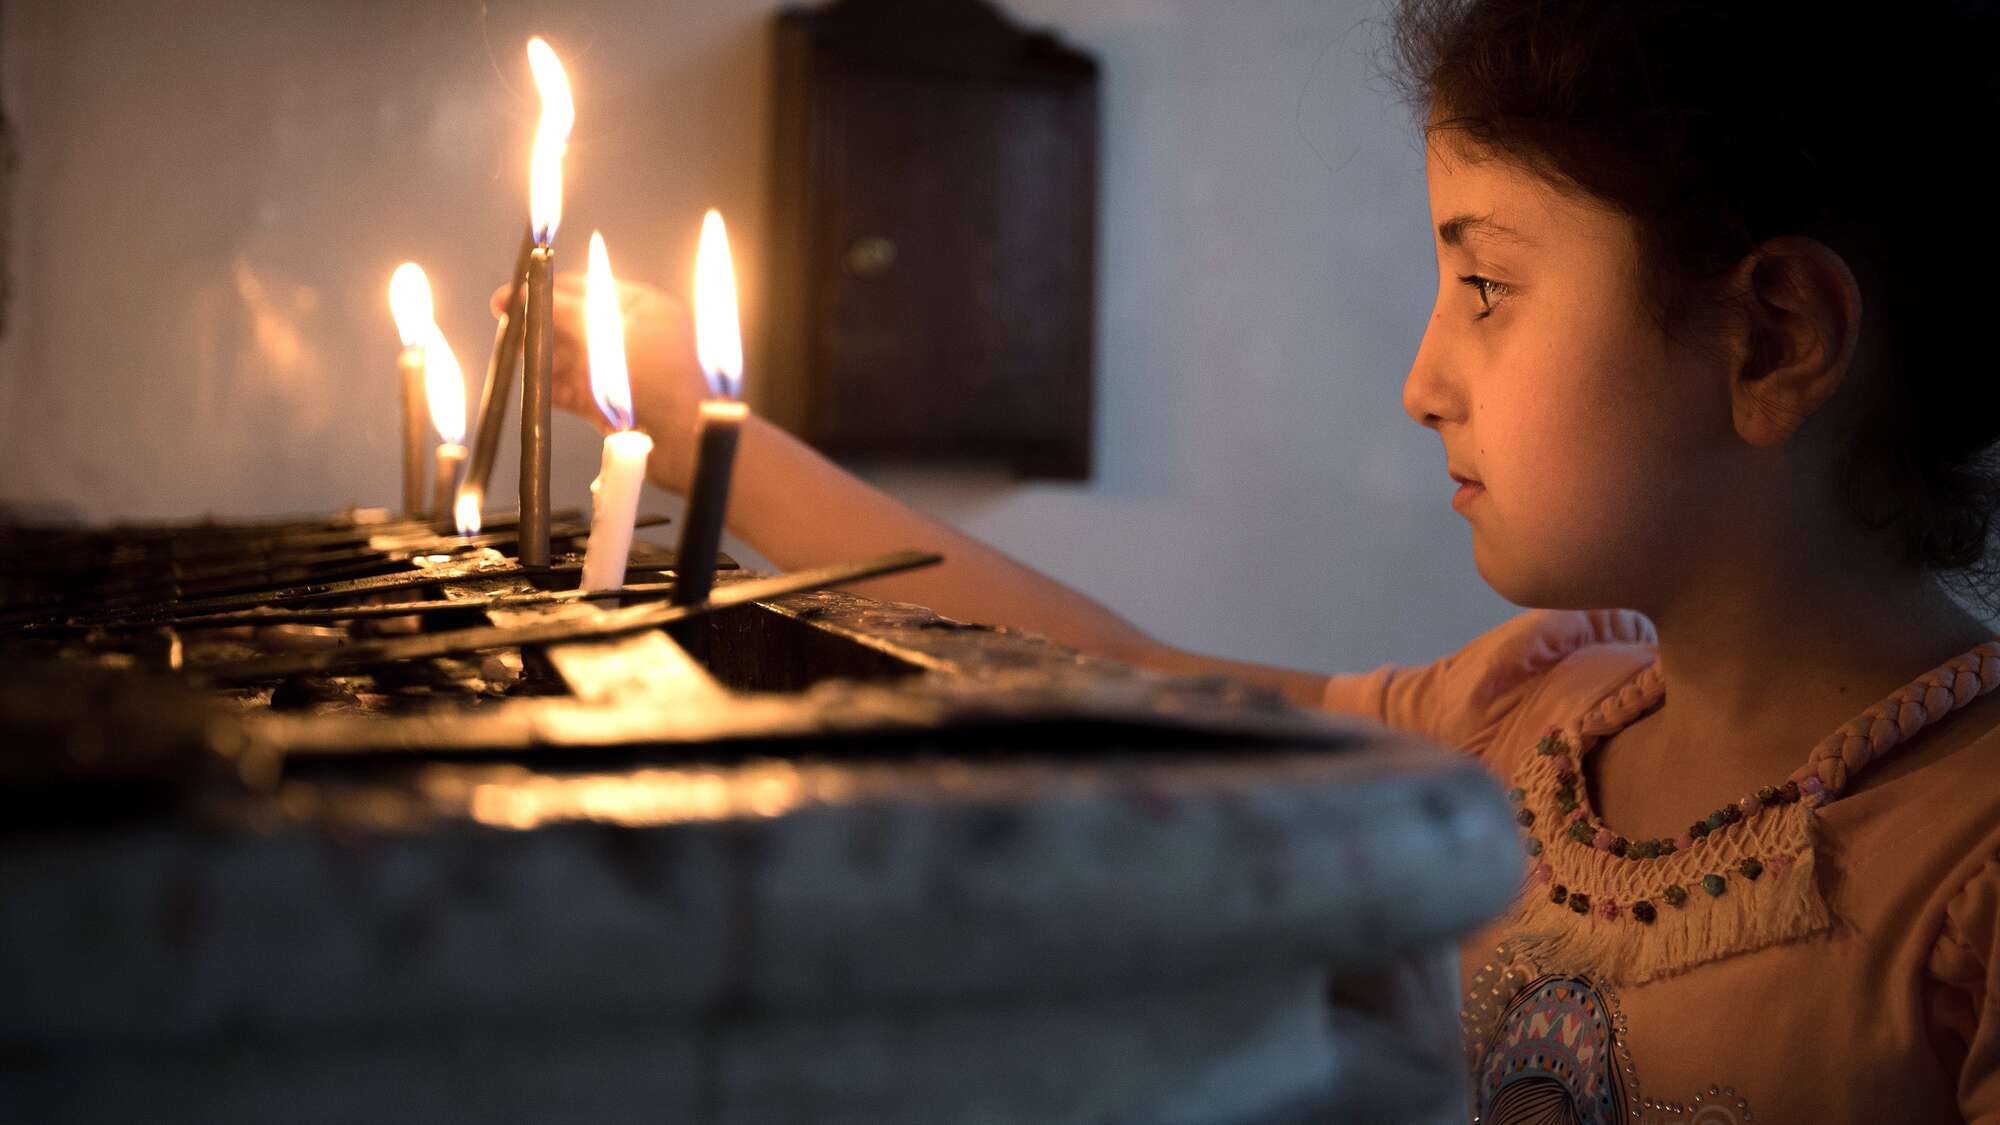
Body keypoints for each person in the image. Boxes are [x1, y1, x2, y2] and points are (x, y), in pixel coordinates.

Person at [504, 1, 2000, 1118]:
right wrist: (711, 444)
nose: (1424, 378)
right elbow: (1101, 681)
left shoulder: (1965, 872)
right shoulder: (1523, 723)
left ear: (1773, 337)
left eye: (1486, 285)